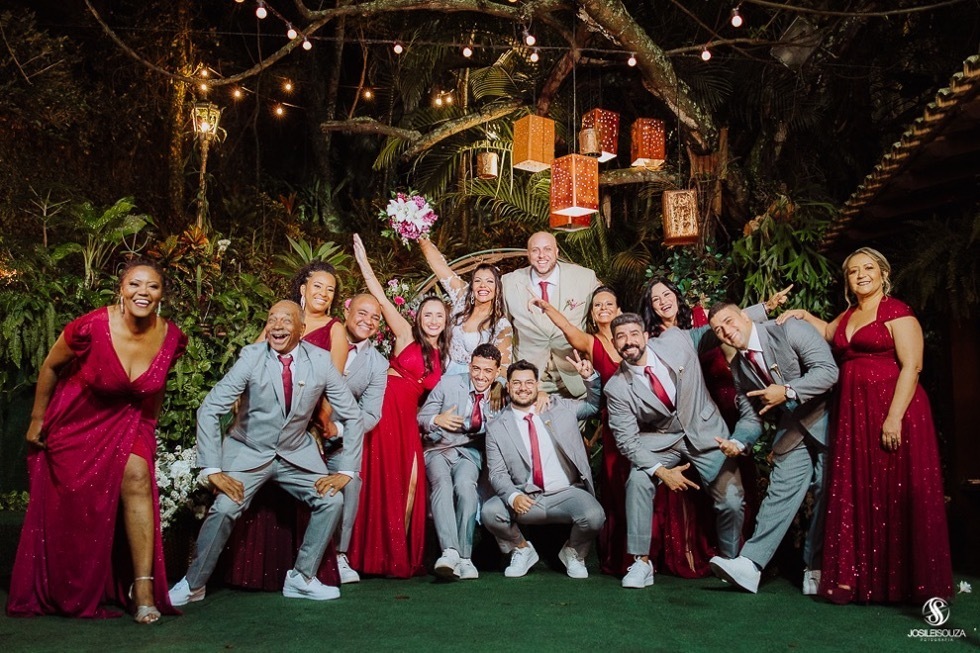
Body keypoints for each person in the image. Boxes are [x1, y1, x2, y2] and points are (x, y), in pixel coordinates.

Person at [7, 260, 187, 623]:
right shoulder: (89, 327)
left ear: (161, 294)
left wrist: (147, 427)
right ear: (120, 289)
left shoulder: (171, 337)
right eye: (134, 284)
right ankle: (73, 584)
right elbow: (51, 367)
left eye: (152, 286)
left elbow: (157, 386)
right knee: (75, 504)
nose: (143, 292)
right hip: (79, 422)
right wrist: (38, 419)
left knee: (137, 479)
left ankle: (144, 589)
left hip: (131, 419)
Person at [777, 247, 953, 603]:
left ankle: (905, 582)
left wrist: (893, 417)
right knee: (865, 491)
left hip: (894, 408)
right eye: (853, 271)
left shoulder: (897, 312)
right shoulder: (848, 315)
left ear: (883, 273)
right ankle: (867, 580)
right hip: (854, 414)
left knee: (894, 489)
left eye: (868, 268)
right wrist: (802, 314)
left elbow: (912, 366)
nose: (861, 275)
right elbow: (830, 332)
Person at [168, 301, 364, 605]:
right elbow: (209, 409)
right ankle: (193, 584)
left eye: (287, 320)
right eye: (272, 319)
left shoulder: (322, 361)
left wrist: (345, 472)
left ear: (302, 329)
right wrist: (212, 469)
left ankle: (301, 577)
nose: (278, 325)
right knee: (224, 509)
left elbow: (352, 415)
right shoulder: (251, 357)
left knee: (332, 500)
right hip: (248, 450)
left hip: (296, 455)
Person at [223, 261, 352, 591]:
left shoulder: (334, 329)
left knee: (311, 498)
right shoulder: (280, 319)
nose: (324, 293)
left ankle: (302, 574)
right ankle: (254, 574)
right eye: (318, 286)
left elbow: (331, 383)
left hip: (302, 428)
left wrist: (316, 420)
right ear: (303, 288)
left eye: (331, 289)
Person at [603, 313, 745, 590]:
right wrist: (660, 471)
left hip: (705, 432)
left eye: (633, 334)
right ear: (614, 344)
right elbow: (627, 441)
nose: (628, 341)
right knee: (638, 480)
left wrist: (764, 309)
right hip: (662, 439)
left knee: (731, 499)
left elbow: (720, 327)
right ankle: (641, 562)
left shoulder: (676, 341)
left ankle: (733, 561)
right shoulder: (617, 387)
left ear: (646, 336)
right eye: (621, 337)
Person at [706, 302, 838, 594]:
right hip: (793, 430)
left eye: (729, 321)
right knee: (779, 493)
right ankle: (750, 565)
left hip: (830, 422)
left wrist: (789, 390)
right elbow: (750, 415)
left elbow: (828, 371)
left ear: (744, 315)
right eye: (718, 330)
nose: (727, 332)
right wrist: (739, 441)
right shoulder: (739, 366)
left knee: (826, 493)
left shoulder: (789, 329)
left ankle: (816, 567)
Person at [346, 234, 450, 578]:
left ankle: (393, 554)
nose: (433, 320)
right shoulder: (405, 334)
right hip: (383, 408)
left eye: (439, 316)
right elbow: (379, 296)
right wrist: (363, 262)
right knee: (375, 479)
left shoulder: (445, 358)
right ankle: (360, 556)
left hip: (408, 421)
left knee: (406, 482)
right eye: (428, 314)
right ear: (419, 317)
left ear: (446, 321)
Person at [481, 357, 605, 580]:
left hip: (566, 493)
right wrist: (512, 496)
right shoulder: (496, 427)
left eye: (529, 382)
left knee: (594, 516)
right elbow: (497, 473)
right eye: (517, 383)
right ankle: (521, 549)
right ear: (508, 386)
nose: (523, 388)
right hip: (527, 497)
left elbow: (594, 405)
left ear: (537, 385)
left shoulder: (559, 406)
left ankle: (573, 552)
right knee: (491, 512)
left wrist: (589, 378)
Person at [417, 343, 502, 580]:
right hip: (439, 448)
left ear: (496, 372)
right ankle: (450, 552)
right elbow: (421, 417)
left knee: (466, 488)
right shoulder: (448, 384)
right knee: (442, 484)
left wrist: (502, 385)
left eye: (487, 371)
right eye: (476, 369)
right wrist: (438, 418)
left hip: (469, 452)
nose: (480, 376)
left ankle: (465, 558)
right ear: (469, 365)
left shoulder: (499, 394)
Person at [501, 231, 599, 398]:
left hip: (573, 377)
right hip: (528, 380)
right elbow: (502, 332)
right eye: (535, 250)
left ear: (556, 252)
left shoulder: (585, 278)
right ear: (528, 253)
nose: (541, 255)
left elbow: (605, 314)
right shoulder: (508, 283)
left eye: (547, 249)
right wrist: (502, 378)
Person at [419, 237, 512, 376]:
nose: (483, 286)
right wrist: (420, 237)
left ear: (497, 289)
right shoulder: (462, 296)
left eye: (489, 281)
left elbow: (503, 367)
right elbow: (439, 266)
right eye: (478, 280)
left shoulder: (501, 325)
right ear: (472, 285)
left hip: (471, 382)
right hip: (438, 371)